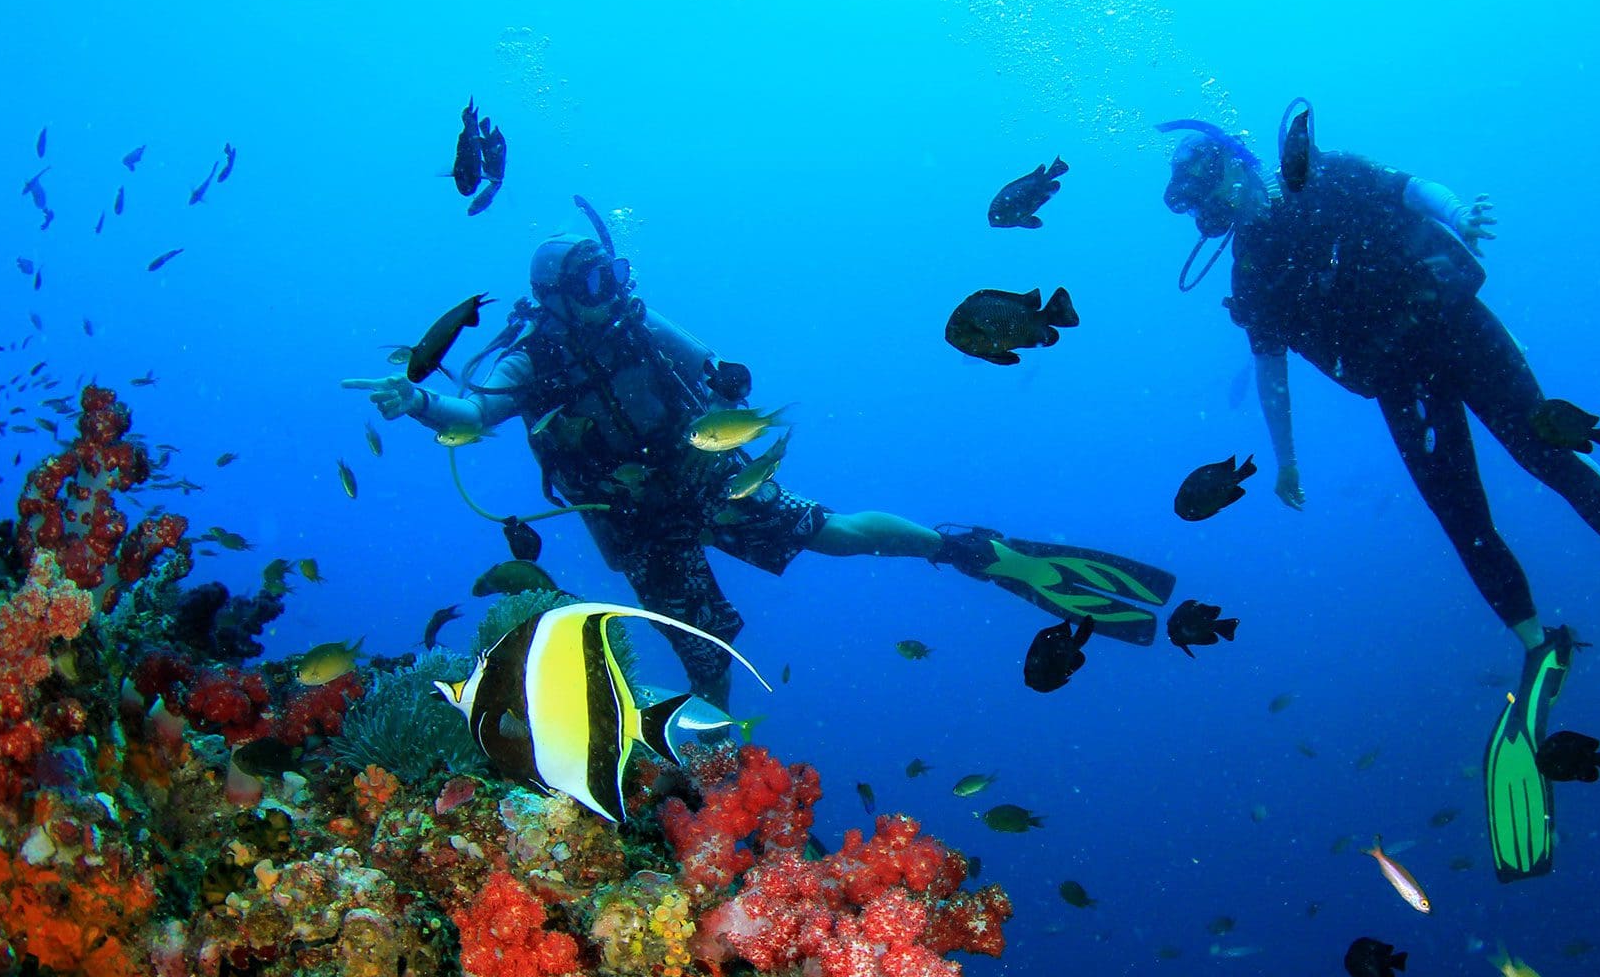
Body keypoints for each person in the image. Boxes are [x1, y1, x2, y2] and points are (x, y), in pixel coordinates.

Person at [1159, 110, 1600, 880]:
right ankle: (1535, 646)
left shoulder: (1323, 171)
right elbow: (1271, 369)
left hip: (1454, 324)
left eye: (1209, 180)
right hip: (1397, 383)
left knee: (1547, 454)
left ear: (1237, 162)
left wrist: (1458, 212)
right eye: (1194, 200)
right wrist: (1284, 461)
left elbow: (1413, 189)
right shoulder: (1251, 273)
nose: (1214, 203)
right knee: (1464, 523)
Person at [345, 218, 1174, 711]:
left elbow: (715, 368)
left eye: (613, 273)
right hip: (629, 521)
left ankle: (956, 546)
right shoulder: (535, 359)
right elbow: (472, 411)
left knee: (831, 532)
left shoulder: (638, 321)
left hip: (707, 477)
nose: (612, 289)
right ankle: (712, 759)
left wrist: (730, 385)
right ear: (559, 294)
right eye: (595, 279)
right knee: (704, 643)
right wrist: (418, 401)